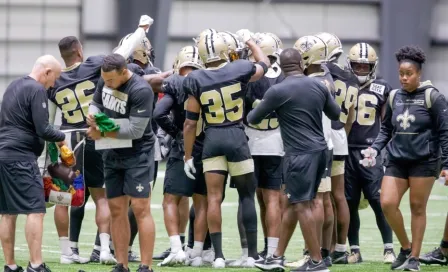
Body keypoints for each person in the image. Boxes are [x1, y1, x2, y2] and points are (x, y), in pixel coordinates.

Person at [47, 15, 152, 265]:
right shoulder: (95, 67)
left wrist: (50, 153)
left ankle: (66, 251)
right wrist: (141, 30)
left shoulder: (55, 82)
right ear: (80, 51)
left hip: (67, 139)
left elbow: (50, 123)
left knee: (63, 197)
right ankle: (104, 248)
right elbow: (123, 51)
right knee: (100, 196)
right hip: (95, 137)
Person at [182, 29, 270, 268]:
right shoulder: (239, 67)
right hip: (237, 137)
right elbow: (264, 63)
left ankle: (218, 256)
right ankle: (250, 255)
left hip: (212, 138)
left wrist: (188, 156)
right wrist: (251, 41)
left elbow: (190, 122)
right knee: (246, 196)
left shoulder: (194, 79)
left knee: (213, 198)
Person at [251, 47, 340, 272]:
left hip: (299, 154)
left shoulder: (278, 90)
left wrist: (270, 107)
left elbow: (253, 118)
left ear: (280, 67)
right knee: (294, 203)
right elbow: (336, 114)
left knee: (301, 205)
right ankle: (276, 257)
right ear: (302, 64)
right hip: (321, 152)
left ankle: (317, 262)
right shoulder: (319, 86)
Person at [362, 45, 448, 271]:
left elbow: (445, 132)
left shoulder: (433, 98)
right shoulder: (393, 97)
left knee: (417, 208)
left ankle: (415, 259)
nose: (404, 78)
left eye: (409, 74)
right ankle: (406, 247)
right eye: (401, 73)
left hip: (425, 161)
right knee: (387, 203)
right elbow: (386, 129)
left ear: (419, 74)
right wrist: (375, 149)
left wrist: (447, 164)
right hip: (397, 159)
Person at [87, 53, 156, 272]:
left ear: (124, 72)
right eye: (104, 79)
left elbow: (135, 130)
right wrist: (92, 116)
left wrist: (102, 129)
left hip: (138, 154)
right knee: (116, 209)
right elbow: (95, 104)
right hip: (111, 153)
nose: (106, 84)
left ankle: (145, 266)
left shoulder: (141, 90)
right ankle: (121, 264)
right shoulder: (104, 78)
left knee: (139, 208)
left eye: (110, 81)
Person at [0, 55, 65, 272]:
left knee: (8, 212)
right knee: (35, 210)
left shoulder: (13, 86)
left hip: (3, 155)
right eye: (54, 78)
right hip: (21, 158)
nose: (53, 84)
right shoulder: (37, 90)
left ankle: (10, 265)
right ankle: (36, 265)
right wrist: (62, 136)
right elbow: (44, 129)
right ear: (46, 72)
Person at [153, 45, 208, 267]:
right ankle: (196, 253)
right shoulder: (210, 79)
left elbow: (159, 113)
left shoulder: (175, 82)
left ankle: (177, 248)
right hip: (207, 145)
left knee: (170, 199)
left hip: (182, 147)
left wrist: (176, 132)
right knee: (202, 200)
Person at [286, 35, 335, 269]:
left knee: (315, 202)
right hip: (325, 144)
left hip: (314, 145)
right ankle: (322, 252)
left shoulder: (316, 82)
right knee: (319, 201)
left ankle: (313, 254)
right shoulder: (323, 78)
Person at [344, 42, 395, 264]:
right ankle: (354, 249)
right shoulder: (343, 84)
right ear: (350, 64)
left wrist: (382, 151)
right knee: (350, 202)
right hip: (346, 151)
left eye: (366, 66)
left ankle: (389, 248)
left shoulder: (383, 87)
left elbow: (387, 124)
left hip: (370, 151)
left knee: (377, 200)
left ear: (373, 67)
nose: (361, 70)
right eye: (357, 65)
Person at [240, 33, 284, 265]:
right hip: (277, 143)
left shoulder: (249, 77)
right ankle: (273, 250)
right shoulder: (285, 77)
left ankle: (250, 252)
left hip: (250, 141)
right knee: (272, 198)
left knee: (251, 197)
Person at [315, 32, 358, 264]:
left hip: (322, 133)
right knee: (338, 196)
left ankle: (320, 249)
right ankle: (339, 247)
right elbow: (350, 117)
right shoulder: (352, 77)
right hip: (340, 134)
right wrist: (342, 136)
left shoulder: (323, 74)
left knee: (321, 196)